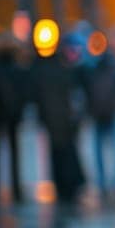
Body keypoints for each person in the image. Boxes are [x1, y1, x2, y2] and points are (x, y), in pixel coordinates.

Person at [32, 42, 85, 205]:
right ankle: (69, 186)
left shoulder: (46, 72)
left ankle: (63, 187)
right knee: (66, 153)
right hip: (63, 120)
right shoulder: (64, 71)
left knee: (58, 154)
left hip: (54, 121)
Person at [85, 30, 115, 203]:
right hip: (109, 112)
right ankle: (110, 185)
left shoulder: (93, 67)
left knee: (108, 151)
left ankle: (108, 184)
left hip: (107, 112)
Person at [0, 33, 28, 203]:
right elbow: (24, 92)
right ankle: (17, 190)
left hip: (1, 114)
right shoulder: (18, 69)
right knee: (15, 153)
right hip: (14, 115)